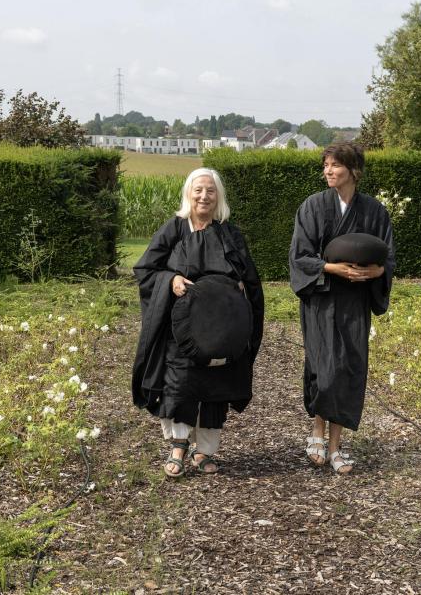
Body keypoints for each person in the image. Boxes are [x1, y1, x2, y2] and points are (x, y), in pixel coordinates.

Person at [132, 168, 264, 478]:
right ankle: (179, 446)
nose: (204, 196)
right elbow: (146, 269)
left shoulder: (229, 234)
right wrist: (171, 279)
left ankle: (205, 451)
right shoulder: (174, 229)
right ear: (189, 193)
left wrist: (242, 289)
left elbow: (250, 278)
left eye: (211, 191)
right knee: (180, 384)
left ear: (219, 197)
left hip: (222, 329)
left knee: (217, 388)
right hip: (184, 330)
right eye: (199, 190)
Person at [289, 142, 395, 474]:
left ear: (353, 170)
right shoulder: (312, 207)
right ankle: (316, 432)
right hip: (322, 299)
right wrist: (332, 268)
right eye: (325, 166)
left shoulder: (374, 211)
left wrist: (377, 271)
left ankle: (335, 446)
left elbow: (387, 257)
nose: (328, 171)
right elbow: (299, 256)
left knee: (349, 369)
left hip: (355, 302)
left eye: (334, 165)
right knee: (326, 370)